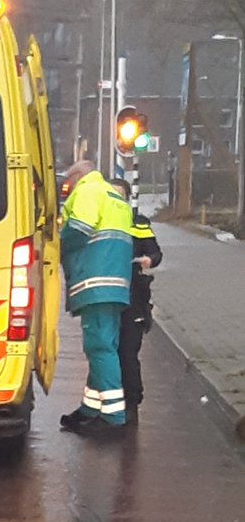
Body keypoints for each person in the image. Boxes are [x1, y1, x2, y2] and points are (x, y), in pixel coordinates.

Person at [59, 160, 134, 434]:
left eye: (69, 182)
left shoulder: (89, 191)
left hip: (94, 281)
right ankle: (90, 409)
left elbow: (78, 229)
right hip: (115, 284)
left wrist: (55, 244)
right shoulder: (116, 198)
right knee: (103, 347)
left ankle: (114, 418)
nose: (68, 188)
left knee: (100, 347)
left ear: (79, 176)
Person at [110, 176, 163, 417]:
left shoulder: (138, 223)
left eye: (120, 194)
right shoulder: (101, 222)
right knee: (106, 349)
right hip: (108, 296)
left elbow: (155, 252)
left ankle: (132, 399)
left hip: (133, 297)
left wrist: (148, 260)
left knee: (129, 350)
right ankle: (111, 396)